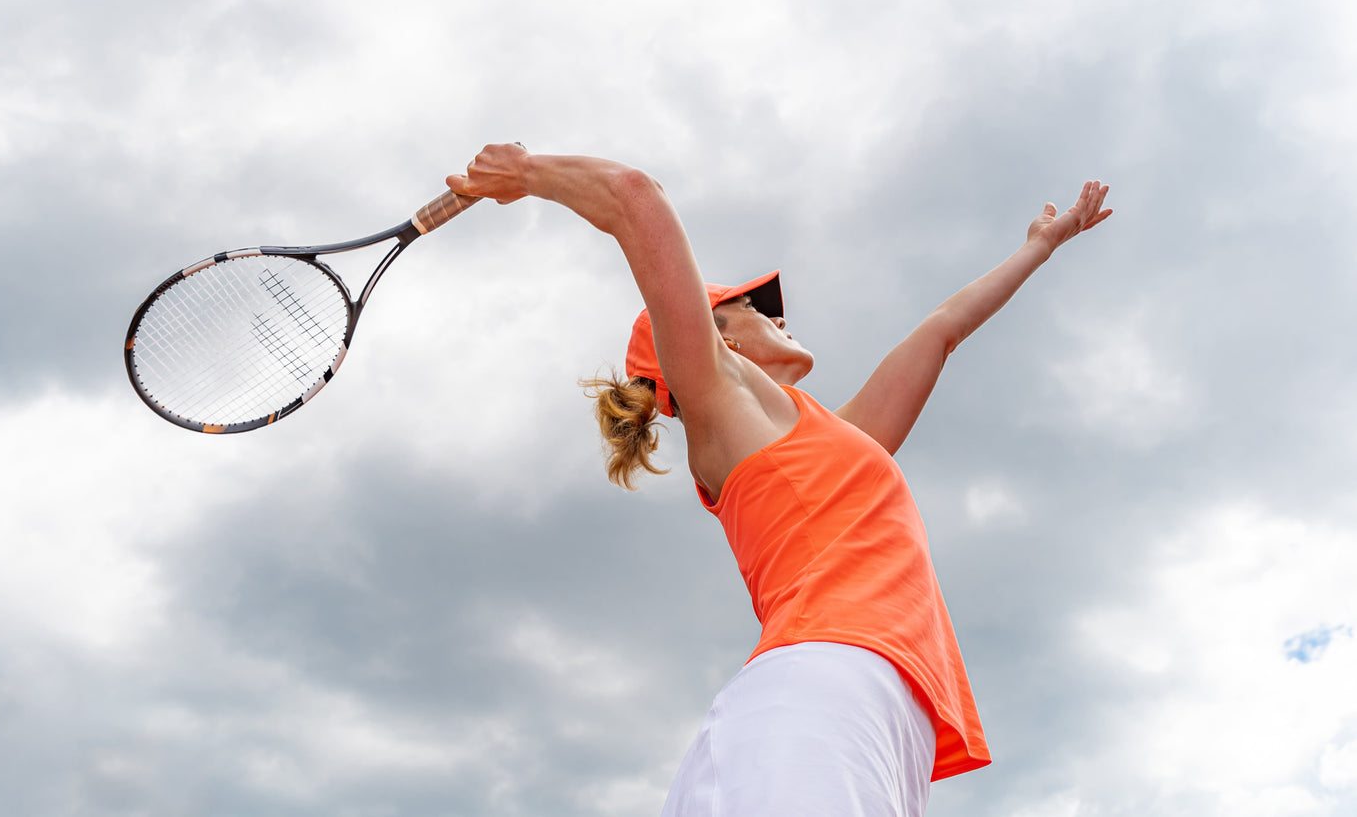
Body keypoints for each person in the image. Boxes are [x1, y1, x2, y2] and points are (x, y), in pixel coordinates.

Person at [448, 144, 1112, 817]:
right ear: (719, 342)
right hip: (820, 691)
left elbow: (941, 330)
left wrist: (1041, 247)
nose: (779, 315)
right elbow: (633, 195)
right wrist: (526, 173)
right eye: (752, 306)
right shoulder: (720, 408)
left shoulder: (829, 439)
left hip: (855, 704)